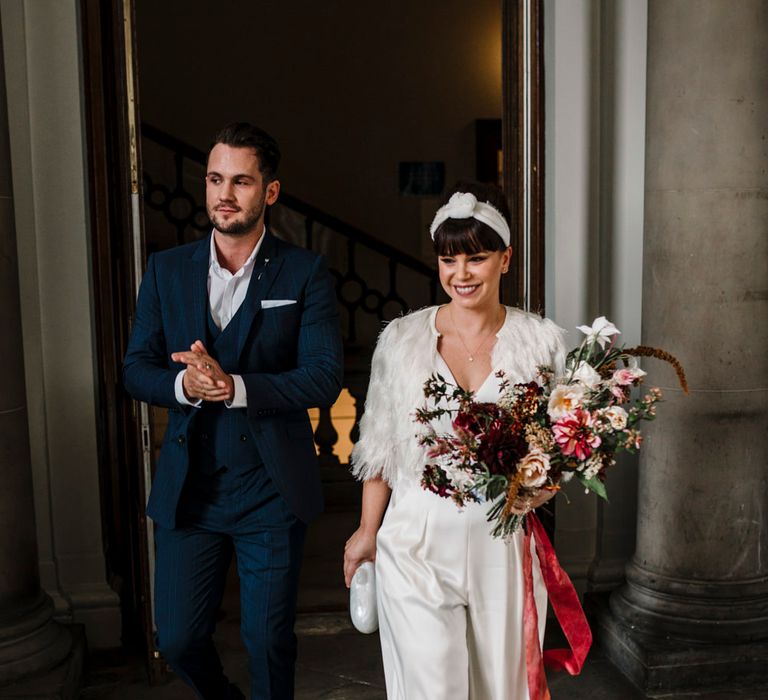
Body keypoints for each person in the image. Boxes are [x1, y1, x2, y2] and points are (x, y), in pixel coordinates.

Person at [123, 122, 343, 700]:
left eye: (241, 181)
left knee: (267, 640)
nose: (224, 193)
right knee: (175, 640)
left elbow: (323, 376)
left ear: (269, 191)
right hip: (190, 490)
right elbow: (135, 368)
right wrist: (187, 387)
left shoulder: (304, 273)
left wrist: (237, 386)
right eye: (216, 179)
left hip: (269, 488)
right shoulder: (167, 270)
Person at [343, 182, 567, 699]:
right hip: (416, 536)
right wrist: (365, 530)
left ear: (505, 259)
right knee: (433, 687)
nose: (460, 274)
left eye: (476, 258)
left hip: (503, 539)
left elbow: (561, 444)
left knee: (500, 687)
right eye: (448, 260)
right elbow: (379, 447)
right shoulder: (399, 340)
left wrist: (542, 486)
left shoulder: (542, 341)